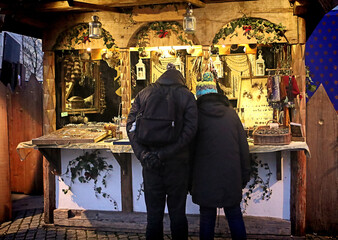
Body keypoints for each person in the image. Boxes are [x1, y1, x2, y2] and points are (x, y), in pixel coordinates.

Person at [127, 63, 198, 240]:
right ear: (181, 80)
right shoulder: (187, 96)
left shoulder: (143, 94)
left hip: (150, 164)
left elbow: (130, 127)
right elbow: (190, 131)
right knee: (178, 214)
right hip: (177, 165)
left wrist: (143, 155)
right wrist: (165, 154)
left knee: (153, 216)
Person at [191, 72, 251, 240]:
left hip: (204, 178)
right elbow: (243, 147)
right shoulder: (232, 114)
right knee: (234, 215)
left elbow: (189, 151)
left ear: (199, 96)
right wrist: (244, 176)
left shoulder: (195, 116)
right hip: (231, 176)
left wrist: (190, 182)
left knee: (206, 217)